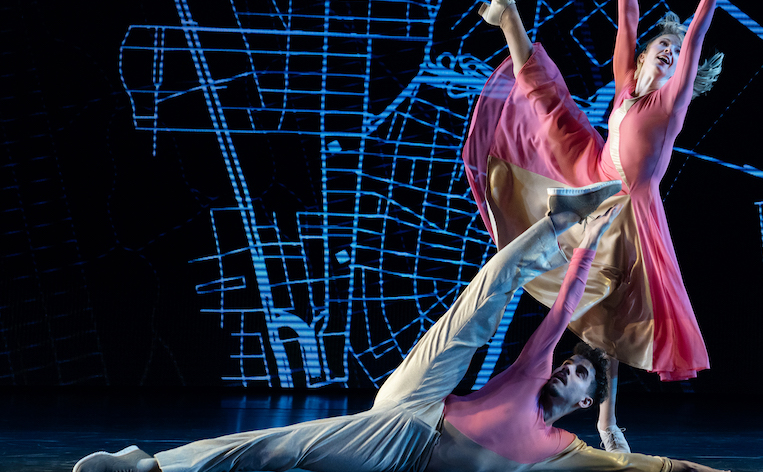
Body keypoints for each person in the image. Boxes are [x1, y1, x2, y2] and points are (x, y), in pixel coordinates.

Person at [73, 181, 727, 472]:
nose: (565, 368)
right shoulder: (533, 379)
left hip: (401, 452)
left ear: (586, 402)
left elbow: (637, 465)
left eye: (580, 373)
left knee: (283, 455)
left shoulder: (557, 451)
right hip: (419, 407)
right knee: (480, 302)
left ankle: (154, 467)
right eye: (571, 362)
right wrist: (583, 242)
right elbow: (555, 322)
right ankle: (556, 217)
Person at [463, 0, 744, 452]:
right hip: (592, 173)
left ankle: (607, 418)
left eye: (675, 53)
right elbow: (627, 24)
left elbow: (694, 46)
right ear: (640, 59)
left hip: (630, 213)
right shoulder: (625, 90)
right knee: (545, 104)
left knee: (610, 317)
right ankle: (507, 17)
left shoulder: (668, 107)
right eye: (663, 46)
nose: (670, 53)